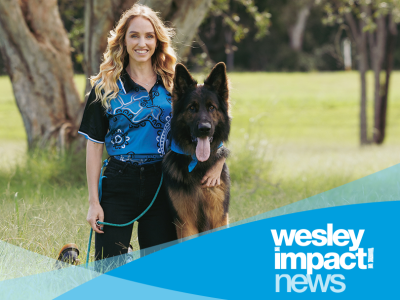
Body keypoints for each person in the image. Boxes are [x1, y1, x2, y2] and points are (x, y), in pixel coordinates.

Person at [78, 3, 226, 261]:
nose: (141, 43)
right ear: (123, 40)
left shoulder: (173, 84)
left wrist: (221, 156)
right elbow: (94, 145)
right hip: (119, 181)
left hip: (163, 182)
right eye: (134, 35)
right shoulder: (105, 87)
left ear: (157, 41)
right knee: (107, 272)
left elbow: (206, 121)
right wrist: (94, 202)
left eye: (149, 36)